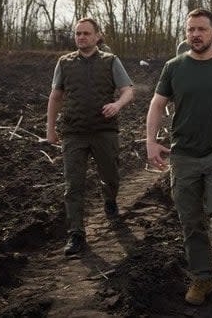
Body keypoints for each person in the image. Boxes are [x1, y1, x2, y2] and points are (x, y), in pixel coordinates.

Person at [146, 8, 212, 306]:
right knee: (191, 221)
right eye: (191, 29)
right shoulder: (174, 67)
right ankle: (203, 277)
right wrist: (151, 142)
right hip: (183, 156)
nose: (195, 34)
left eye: (201, 29)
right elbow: (157, 105)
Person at [46, 17, 135, 256]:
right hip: (74, 132)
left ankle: (110, 200)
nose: (81, 37)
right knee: (73, 184)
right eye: (78, 34)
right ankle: (76, 234)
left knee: (111, 175)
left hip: (104, 131)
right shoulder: (64, 63)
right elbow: (55, 97)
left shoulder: (110, 61)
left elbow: (128, 90)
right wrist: (51, 129)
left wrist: (118, 104)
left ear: (97, 36)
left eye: (86, 33)